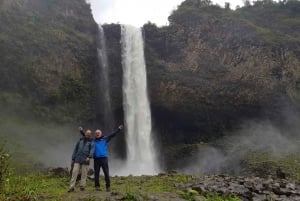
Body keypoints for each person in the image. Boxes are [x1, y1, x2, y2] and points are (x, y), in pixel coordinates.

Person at [80, 125, 124, 192]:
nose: (97, 134)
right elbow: (86, 136)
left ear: (101, 133)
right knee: (96, 173)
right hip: (96, 159)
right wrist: (81, 131)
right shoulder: (93, 140)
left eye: (98, 133)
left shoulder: (105, 139)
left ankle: (108, 187)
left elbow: (112, 135)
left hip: (104, 158)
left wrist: (118, 129)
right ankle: (97, 186)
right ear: (95, 134)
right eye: (96, 133)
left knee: (106, 172)